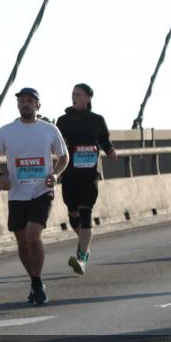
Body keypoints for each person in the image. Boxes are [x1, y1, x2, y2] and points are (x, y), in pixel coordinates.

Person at [0, 87, 69, 305]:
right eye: (22, 101)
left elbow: (64, 157)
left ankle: (37, 281)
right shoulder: (7, 131)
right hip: (17, 194)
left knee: (33, 236)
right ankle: (35, 281)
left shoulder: (49, 129)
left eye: (29, 101)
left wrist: (55, 174)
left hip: (42, 190)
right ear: (18, 105)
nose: (25, 104)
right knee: (22, 242)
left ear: (37, 105)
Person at [55, 83, 117, 275]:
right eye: (73, 94)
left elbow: (105, 140)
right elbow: (56, 144)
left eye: (79, 94)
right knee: (72, 214)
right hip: (70, 173)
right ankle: (85, 245)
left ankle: (81, 257)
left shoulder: (97, 120)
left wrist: (111, 151)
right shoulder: (63, 121)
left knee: (85, 213)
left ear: (89, 98)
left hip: (90, 174)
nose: (74, 97)